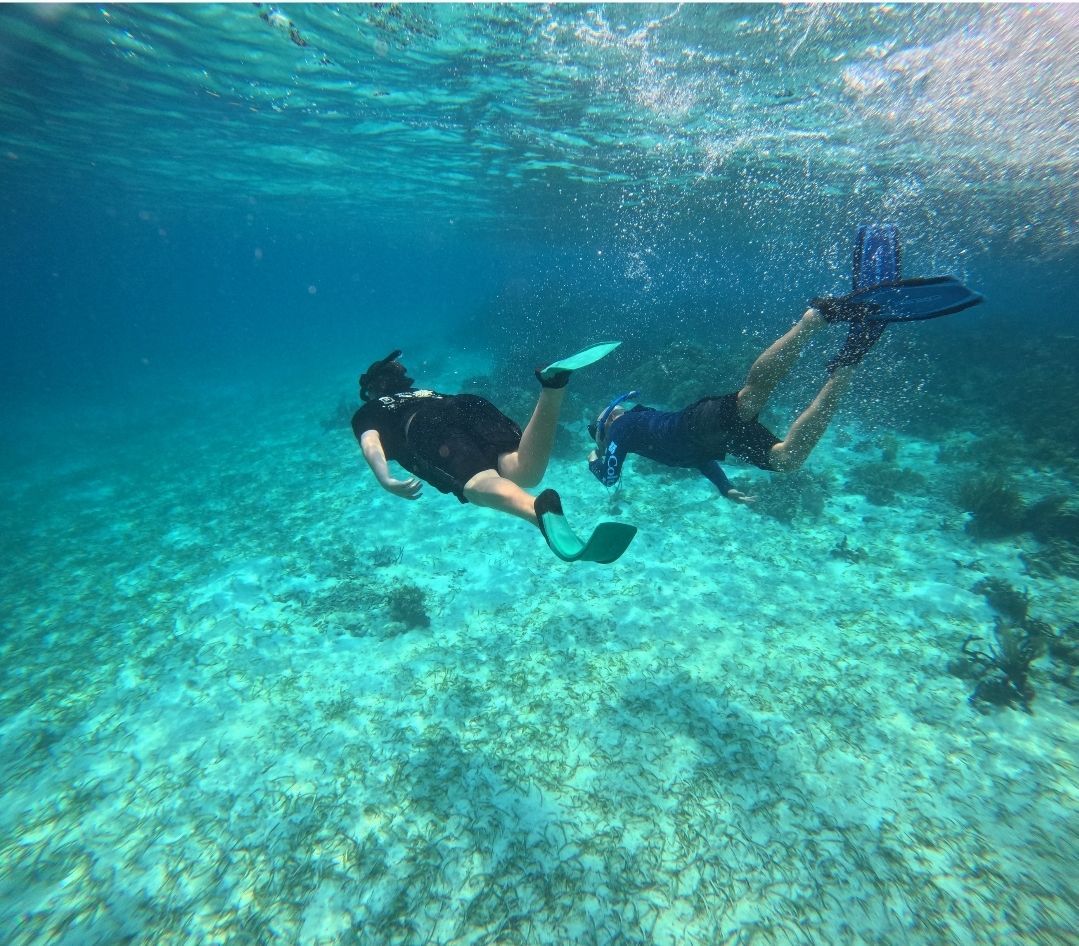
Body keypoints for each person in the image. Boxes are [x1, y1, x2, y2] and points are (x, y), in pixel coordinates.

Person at [587, 224, 983, 500]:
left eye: (604, 428)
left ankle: (816, 319)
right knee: (786, 460)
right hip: (712, 442)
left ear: (609, 421)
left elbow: (609, 477)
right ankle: (848, 360)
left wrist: (594, 459)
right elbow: (697, 459)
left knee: (750, 399)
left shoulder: (624, 429)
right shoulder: (632, 434)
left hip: (697, 421)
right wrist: (725, 488)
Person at [352, 343, 637, 564]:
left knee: (477, 484)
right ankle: (553, 386)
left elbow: (371, 442)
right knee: (523, 471)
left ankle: (536, 511)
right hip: (467, 404)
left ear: (374, 390)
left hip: (426, 425)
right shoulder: (423, 391)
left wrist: (384, 478)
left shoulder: (373, 409)